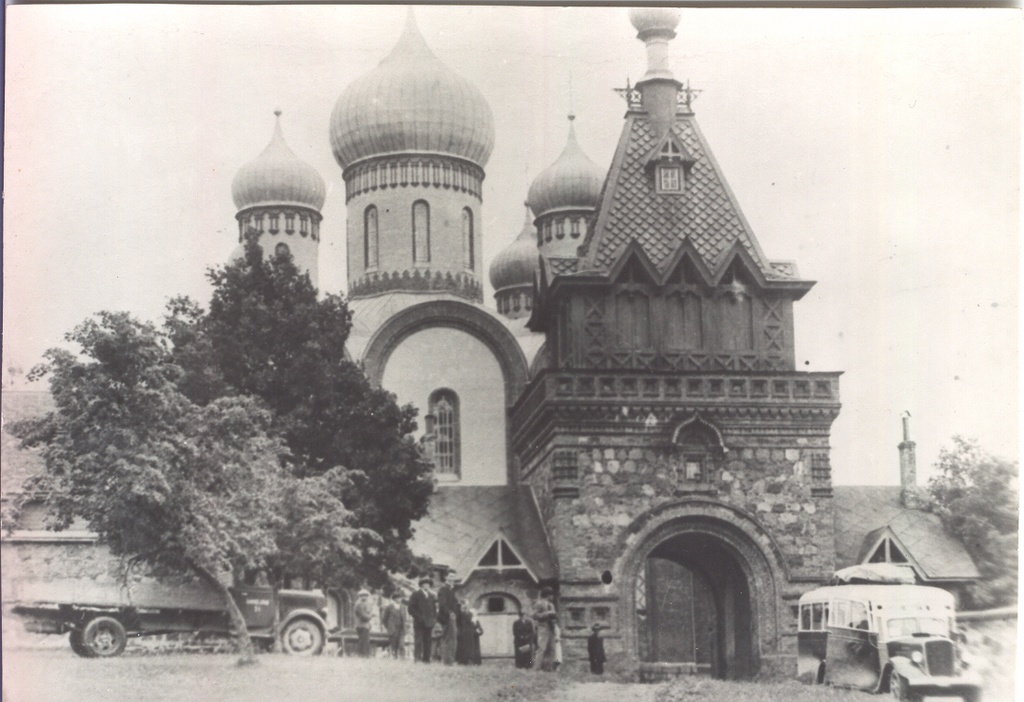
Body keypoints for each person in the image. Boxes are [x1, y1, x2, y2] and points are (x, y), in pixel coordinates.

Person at [407, 577, 437, 663]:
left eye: (428, 584)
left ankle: (426, 659)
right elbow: (411, 609)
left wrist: (433, 619)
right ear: (421, 585)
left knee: (428, 641)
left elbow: (434, 609)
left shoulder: (431, 596)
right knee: (418, 640)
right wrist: (419, 618)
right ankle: (417, 658)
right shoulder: (416, 594)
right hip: (419, 623)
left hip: (429, 623)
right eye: (424, 584)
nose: (426, 586)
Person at [435, 569, 458, 665]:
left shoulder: (450, 589)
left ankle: (449, 660)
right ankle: (447, 661)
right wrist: (450, 613)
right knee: (448, 639)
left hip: (451, 616)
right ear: (446, 577)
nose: (453, 578)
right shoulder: (443, 589)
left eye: (454, 576)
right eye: (451, 576)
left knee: (452, 638)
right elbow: (442, 604)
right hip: (447, 617)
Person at [532, 587, 558, 672]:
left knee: (552, 649)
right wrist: (547, 613)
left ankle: (549, 669)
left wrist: (554, 617)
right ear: (548, 595)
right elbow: (535, 616)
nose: (553, 597)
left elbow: (554, 616)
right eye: (551, 595)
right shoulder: (539, 603)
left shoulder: (551, 605)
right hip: (543, 628)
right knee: (541, 648)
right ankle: (536, 668)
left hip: (551, 628)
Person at [382, 592, 408, 660]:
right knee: (394, 644)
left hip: (401, 628)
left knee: (401, 644)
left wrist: (405, 626)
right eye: (398, 598)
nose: (399, 599)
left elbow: (405, 618)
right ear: (394, 599)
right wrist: (388, 626)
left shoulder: (403, 607)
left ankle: (403, 658)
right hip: (393, 628)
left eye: (400, 598)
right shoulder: (389, 607)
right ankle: (394, 657)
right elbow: (384, 619)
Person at [354, 589, 375, 658]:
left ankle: (363, 655)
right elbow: (363, 616)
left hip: (365, 626)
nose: (364, 597)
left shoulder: (365, 604)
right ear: (360, 596)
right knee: (364, 641)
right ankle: (364, 655)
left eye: (366, 596)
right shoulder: (359, 604)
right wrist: (371, 615)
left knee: (364, 641)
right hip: (361, 625)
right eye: (362, 596)